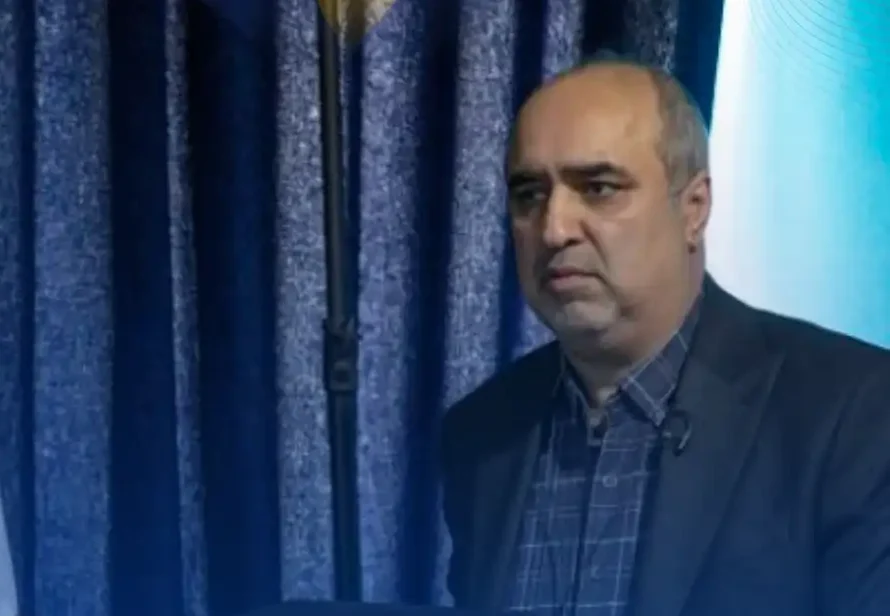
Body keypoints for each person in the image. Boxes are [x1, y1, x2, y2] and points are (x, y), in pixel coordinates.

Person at [439, 54, 890, 616]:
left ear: (694, 209)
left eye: (598, 188)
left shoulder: (853, 412)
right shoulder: (481, 435)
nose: (554, 229)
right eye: (529, 194)